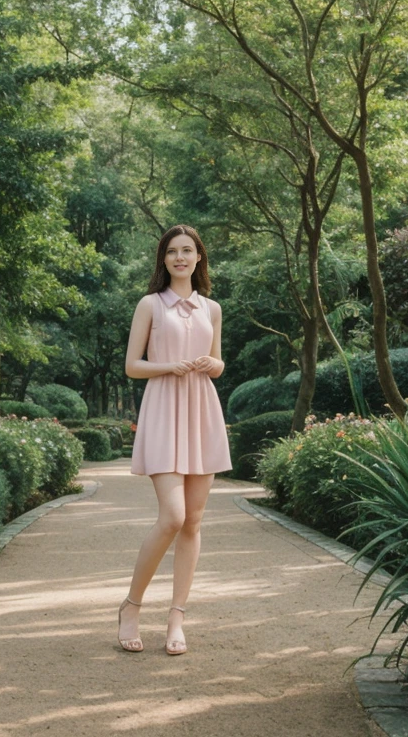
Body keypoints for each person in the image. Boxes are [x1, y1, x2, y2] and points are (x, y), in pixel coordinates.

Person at [118, 224, 232, 655]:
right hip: (165, 407)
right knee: (172, 516)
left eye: (187, 251)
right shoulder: (150, 304)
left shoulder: (212, 308)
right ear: (163, 260)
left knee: (195, 520)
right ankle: (131, 607)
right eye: (172, 252)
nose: (180, 258)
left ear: (199, 257)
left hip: (202, 408)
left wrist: (209, 363)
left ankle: (176, 616)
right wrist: (170, 366)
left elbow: (219, 363)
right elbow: (132, 365)